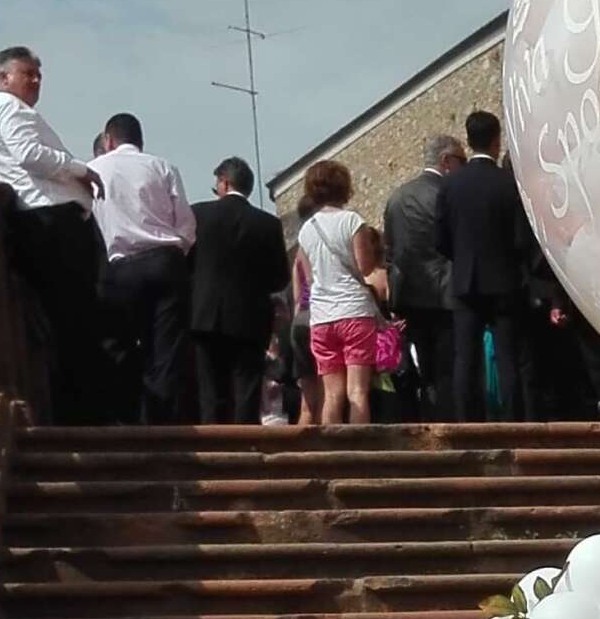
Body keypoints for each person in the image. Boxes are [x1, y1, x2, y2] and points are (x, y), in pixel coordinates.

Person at [0, 45, 105, 421]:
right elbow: (30, 153)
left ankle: (75, 410)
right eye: (27, 73)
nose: (35, 81)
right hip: (49, 218)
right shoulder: (7, 107)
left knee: (68, 321)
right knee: (73, 321)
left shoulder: (11, 111)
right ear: (4, 78)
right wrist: (79, 169)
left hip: (48, 217)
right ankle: (78, 413)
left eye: (38, 74)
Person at [92, 114, 196, 422]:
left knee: (118, 346)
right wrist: (178, 251)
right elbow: (187, 225)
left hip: (119, 266)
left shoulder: (94, 170)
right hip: (165, 260)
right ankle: (162, 425)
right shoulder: (162, 166)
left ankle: (126, 422)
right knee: (165, 351)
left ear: (108, 140)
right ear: (140, 140)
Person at [436, 109, 532, 419]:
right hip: (505, 279)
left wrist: (462, 258)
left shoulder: (450, 186)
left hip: (465, 279)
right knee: (508, 357)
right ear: (496, 140)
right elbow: (521, 237)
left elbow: (440, 238)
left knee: (466, 357)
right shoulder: (507, 183)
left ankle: (469, 423)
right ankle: (514, 420)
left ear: (468, 139)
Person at [191, 157, 290, 426]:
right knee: (246, 390)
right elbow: (280, 278)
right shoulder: (268, 224)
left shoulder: (198, 215)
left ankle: (214, 451)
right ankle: (244, 450)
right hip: (251, 316)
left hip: (205, 314)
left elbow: (186, 262)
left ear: (224, 182)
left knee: (210, 391)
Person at [293, 158, 386, 429]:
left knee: (331, 395)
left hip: (321, 317)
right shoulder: (352, 221)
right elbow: (365, 267)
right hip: (354, 311)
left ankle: (332, 455)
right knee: (357, 392)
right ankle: (359, 456)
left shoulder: (306, 230)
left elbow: (309, 278)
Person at [383, 133, 461, 417]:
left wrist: (395, 298)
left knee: (426, 368)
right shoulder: (447, 193)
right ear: (447, 161)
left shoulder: (397, 198)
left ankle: (430, 419)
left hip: (411, 296)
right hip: (446, 291)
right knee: (449, 368)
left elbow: (390, 252)